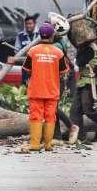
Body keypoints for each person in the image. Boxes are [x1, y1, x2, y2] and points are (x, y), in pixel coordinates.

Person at [20, 23, 69, 152]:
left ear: (39, 35)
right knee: (50, 117)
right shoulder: (58, 52)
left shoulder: (33, 51)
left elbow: (25, 69)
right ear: (53, 35)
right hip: (52, 90)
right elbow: (63, 71)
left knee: (36, 117)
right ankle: (48, 145)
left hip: (36, 90)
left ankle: (35, 145)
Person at [52, 32, 79, 144]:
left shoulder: (56, 46)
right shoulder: (59, 43)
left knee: (52, 107)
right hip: (58, 79)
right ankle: (57, 137)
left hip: (58, 79)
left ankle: (71, 126)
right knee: (53, 108)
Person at [14, 14, 39, 84]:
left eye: (30, 24)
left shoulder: (40, 34)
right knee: (26, 86)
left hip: (38, 66)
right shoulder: (20, 36)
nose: (28, 26)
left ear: (35, 24)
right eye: (26, 24)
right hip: (25, 67)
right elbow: (16, 51)